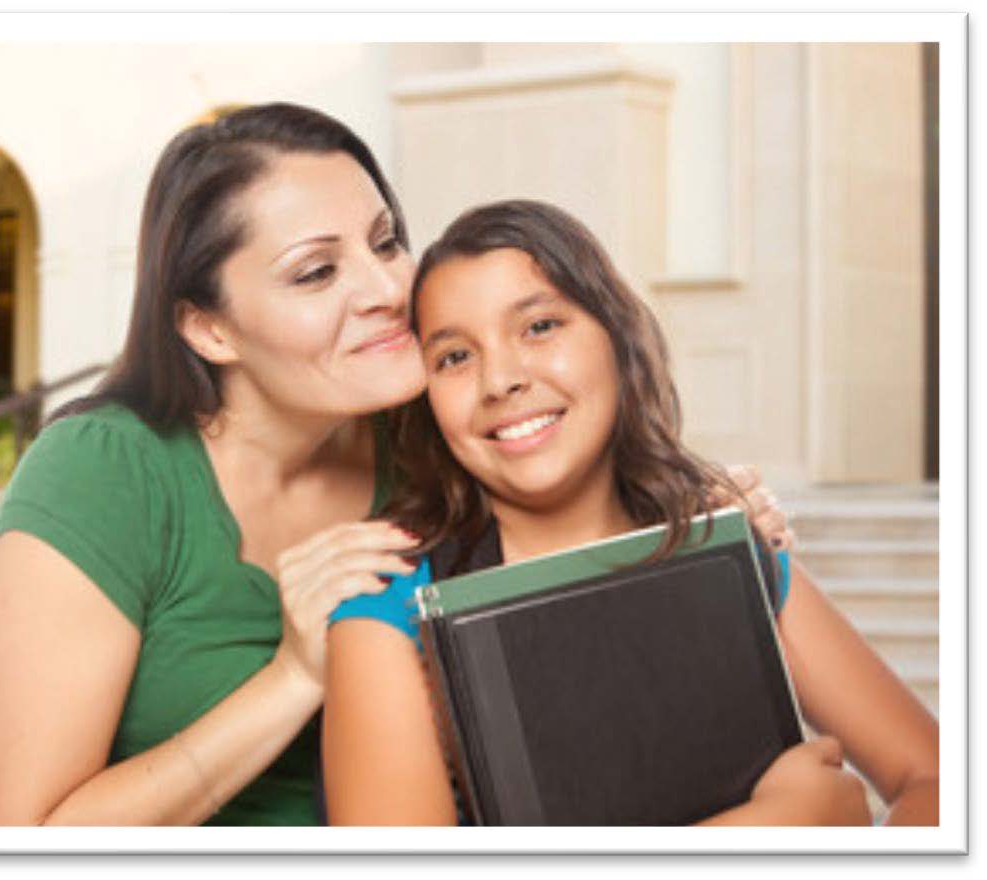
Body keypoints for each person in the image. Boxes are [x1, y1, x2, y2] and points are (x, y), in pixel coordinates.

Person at [0, 104, 793, 826]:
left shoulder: (433, 435)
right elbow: (30, 837)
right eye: (317, 272)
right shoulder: (104, 472)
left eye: (385, 241)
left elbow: (587, 524)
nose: (387, 289)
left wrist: (704, 526)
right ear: (208, 329)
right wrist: (293, 676)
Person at [322, 200, 940, 826]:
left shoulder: (727, 551)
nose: (500, 380)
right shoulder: (389, 610)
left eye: (539, 327)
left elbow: (940, 782)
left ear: (617, 340)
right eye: (455, 356)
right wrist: (769, 832)